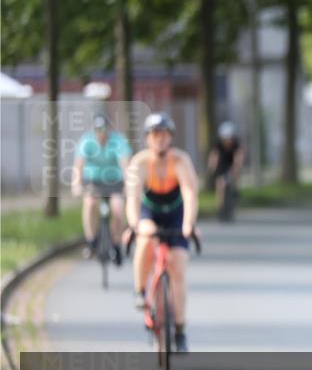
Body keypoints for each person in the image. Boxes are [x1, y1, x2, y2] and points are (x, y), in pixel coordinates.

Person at [123, 113, 199, 353]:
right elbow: (133, 198)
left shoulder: (180, 161)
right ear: (148, 139)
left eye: (165, 136)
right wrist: (134, 224)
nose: (160, 140)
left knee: (178, 267)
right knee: (148, 236)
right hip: (150, 212)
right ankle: (139, 290)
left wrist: (188, 224)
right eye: (156, 135)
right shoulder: (140, 163)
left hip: (176, 214)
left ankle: (180, 328)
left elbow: (189, 194)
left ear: (171, 138)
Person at [71, 115, 131, 264]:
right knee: (90, 204)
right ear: (93, 130)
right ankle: (92, 242)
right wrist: (76, 185)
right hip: (94, 180)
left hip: (114, 181)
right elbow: (78, 166)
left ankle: (116, 244)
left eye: (103, 129)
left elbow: (126, 165)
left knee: (117, 209)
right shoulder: (87, 141)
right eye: (97, 130)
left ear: (109, 130)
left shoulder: (118, 141)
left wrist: (130, 185)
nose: (101, 133)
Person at [207, 121, 244, 217]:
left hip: (232, 164)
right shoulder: (218, 144)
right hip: (222, 165)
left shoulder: (236, 143)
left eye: (229, 138)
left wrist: (236, 169)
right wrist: (212, 168)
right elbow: (214, 156)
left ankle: (236, 188)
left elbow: (239, 156)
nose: (227, 141)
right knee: (220, 185)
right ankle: (220, 208)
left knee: (235, 173)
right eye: (225, 139)